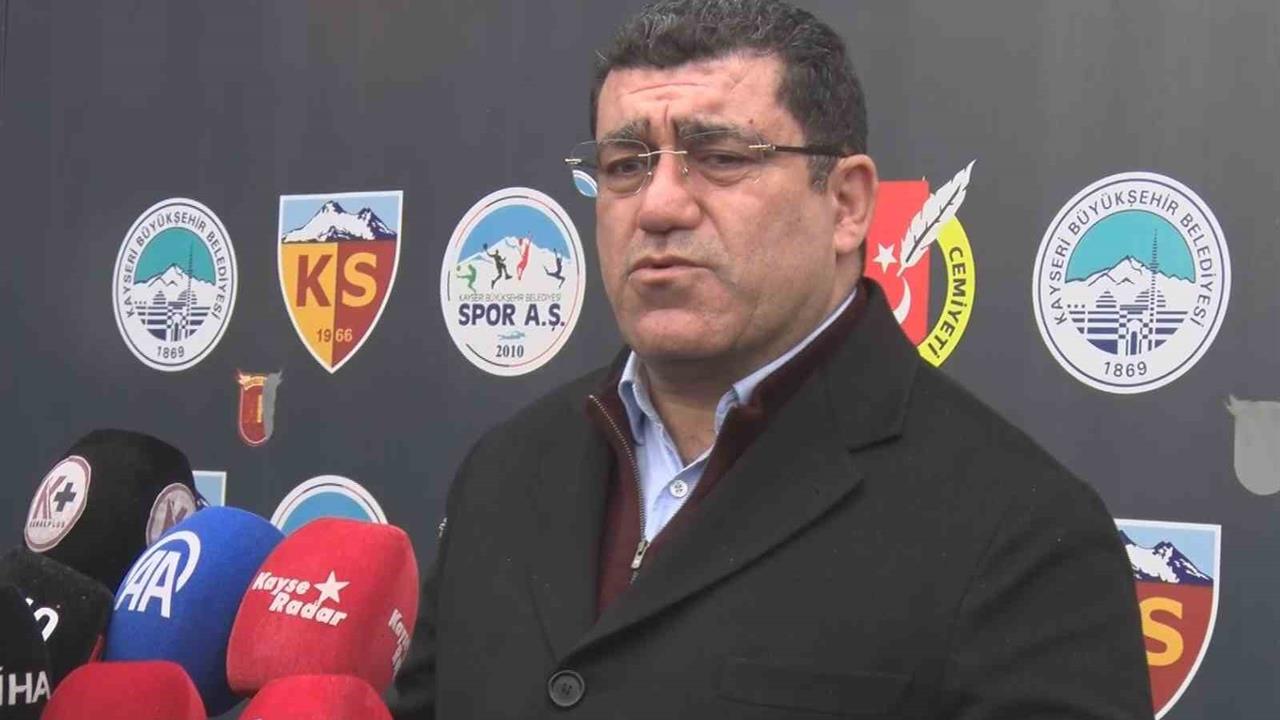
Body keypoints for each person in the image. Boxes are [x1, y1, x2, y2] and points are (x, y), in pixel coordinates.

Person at [392, 1, 1152, 717]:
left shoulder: (1020, 534)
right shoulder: (503, 472)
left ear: (847, 204)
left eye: (720, 157)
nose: (658, 206)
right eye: (625, 164)